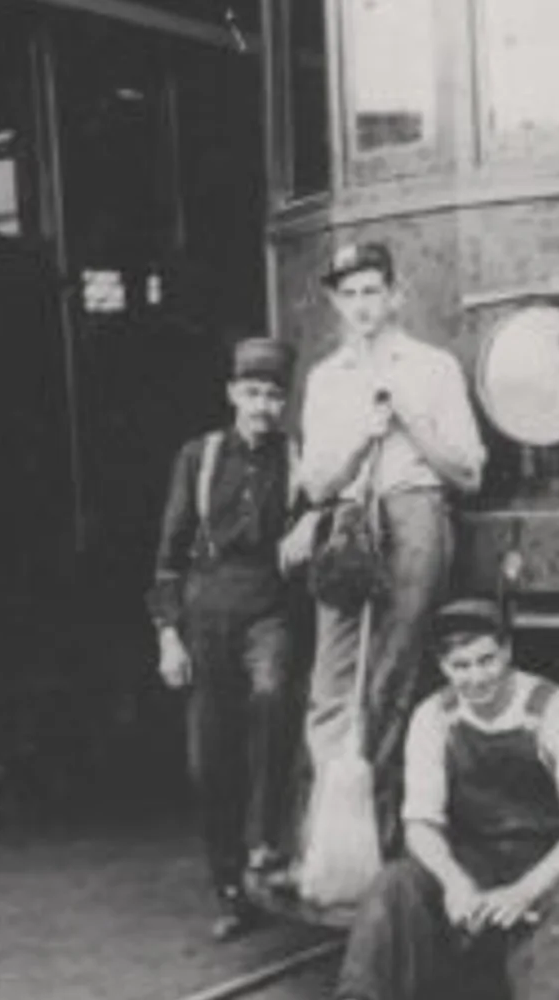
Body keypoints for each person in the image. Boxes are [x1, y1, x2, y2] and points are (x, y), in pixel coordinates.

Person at [294, 242, 487, 857]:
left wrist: (411, 421)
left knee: (392, 675)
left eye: (372, 292)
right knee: (332, 680)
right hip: (349, 523)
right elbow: (317, 485)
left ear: (395, 295)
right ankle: (330, 842)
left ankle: (379, 839)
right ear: (335, 303)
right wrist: (361, 437)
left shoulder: (433, 367)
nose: (362, 306)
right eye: (349, 295)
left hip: (414, 513)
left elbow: (468, 474)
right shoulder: (326, 379)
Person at [335, 598, 559, 1000]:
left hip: (548, 865)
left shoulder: (552, 707)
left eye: (487, 660)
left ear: (507, 651)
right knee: (394, 885)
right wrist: (455, 883)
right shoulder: (433, 715)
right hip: (471, 861)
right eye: (461, 666)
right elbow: (420, 823)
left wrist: (526, 890)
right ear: (442, 666)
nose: (477, 677)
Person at [148, 337, 305, 940]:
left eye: (273, 395)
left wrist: (312, 521)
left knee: (271, 697)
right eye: (252, 393)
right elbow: (169, 555)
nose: (262, 406)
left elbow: (329, 504)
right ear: (232, 394)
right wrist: (168, 636)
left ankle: (267, 845)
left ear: (285, 401)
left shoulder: (298, 457)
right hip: (206, 611)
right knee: (208, 757)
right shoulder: (201, 456)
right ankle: (231, 891)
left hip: (270, 606)